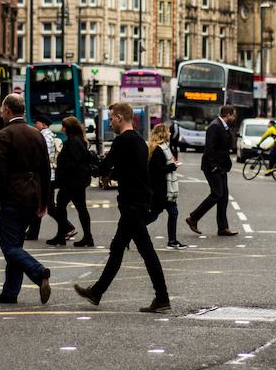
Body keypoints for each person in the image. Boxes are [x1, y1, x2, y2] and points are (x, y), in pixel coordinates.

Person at [74, 102, 171, 313]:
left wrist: (87, 160)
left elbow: (102, 167)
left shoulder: (122, 141)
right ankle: (97, 292)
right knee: (118, 248)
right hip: (138, 203)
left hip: (131, 206)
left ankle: (162, 297)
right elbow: (131, 170)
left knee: (146, 252)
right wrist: (113, 174)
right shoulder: (139, 141)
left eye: (111, 118)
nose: (110, 122)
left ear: (120, 118)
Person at [0, 94, 52, 305]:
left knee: (9, 247)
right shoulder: (37, 134)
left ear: (8, 110)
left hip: (11, 198)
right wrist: (43, 202)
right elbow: (45, 171)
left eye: (2, 110)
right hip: (33, 198)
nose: (1, 113)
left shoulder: (4, 135)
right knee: (15, 245)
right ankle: (10, 292)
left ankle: (39, 272)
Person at [186, 104, 239, 237]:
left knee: (224, 196)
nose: (234, 117)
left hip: (221, 167)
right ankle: (193, 217)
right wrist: (214, 166)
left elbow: (226, 146)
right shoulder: (215, 126)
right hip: (213, 167)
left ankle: (223, 228)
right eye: (233, 115)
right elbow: (209, 148)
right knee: (217, 194)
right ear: (228, 115)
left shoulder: (224, 126)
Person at [46, 116, 95, 247]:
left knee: (61, 206)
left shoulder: (73, 142)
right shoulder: (78, 140)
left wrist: (62, 176)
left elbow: (73, 162)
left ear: (68, 128)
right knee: (80, 208)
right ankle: (87, 237)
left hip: (71, 182)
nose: (62, 128)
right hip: (76, 182)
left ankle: (61, 236)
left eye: (63, 126)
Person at [26, 115, 74, 241]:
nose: (35, 125)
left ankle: (68, 227)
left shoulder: (45, 137)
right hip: (48, 176)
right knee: (39, 204)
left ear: (44, 124)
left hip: (46, 177)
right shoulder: (47, 135)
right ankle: (32, 233)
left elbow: (43, 157)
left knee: (49, 206)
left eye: (37, 123)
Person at [147, 123, 186, 249]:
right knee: (155, 215)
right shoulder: (159, 150)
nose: (170, 133)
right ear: (163, 133)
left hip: (164, 188)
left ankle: (172, 241)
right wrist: (173, 166)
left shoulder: (163, 147)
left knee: (167, 213)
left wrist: (172, 165)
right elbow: (157, 170)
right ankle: (128, 232)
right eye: (168, 131)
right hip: (161, 189)